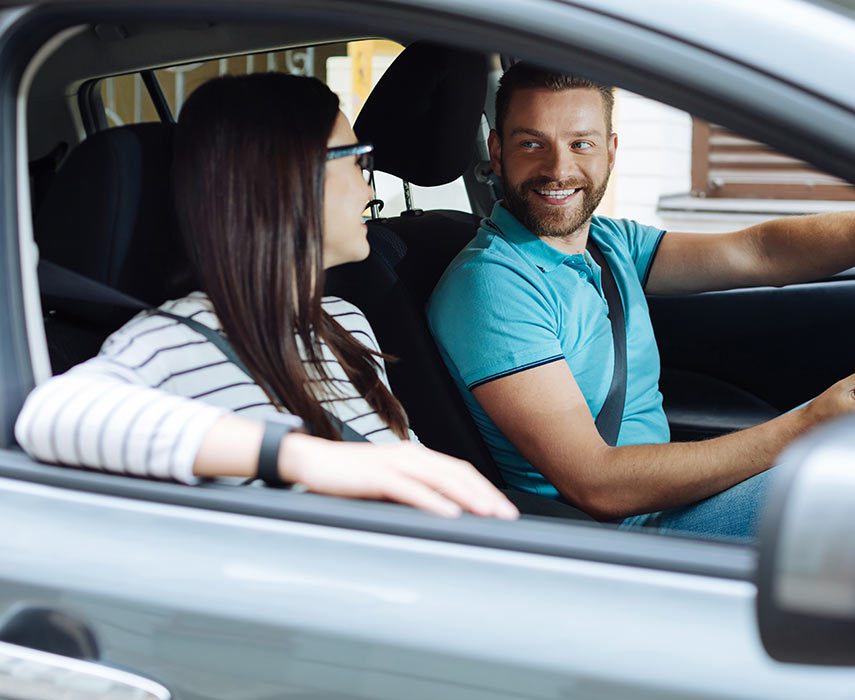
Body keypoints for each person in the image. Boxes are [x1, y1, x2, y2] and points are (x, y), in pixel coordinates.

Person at [15, 73, 517, 521]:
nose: (368, 189)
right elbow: (53, 414)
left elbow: (397, 464)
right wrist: (302, 456)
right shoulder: (175, 340)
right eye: (354, 159)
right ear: (287, 180)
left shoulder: (343, 322)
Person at [427, 63, 855, 538]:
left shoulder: (608, 244)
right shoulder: (491, 285)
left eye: (581, 144)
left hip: (670, 502)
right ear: (497, 151)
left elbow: (762, 252)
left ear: (610, 152)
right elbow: (597, 484)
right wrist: (808, 424)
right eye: (532, 144)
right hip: (624, 538)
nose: (559, 169)